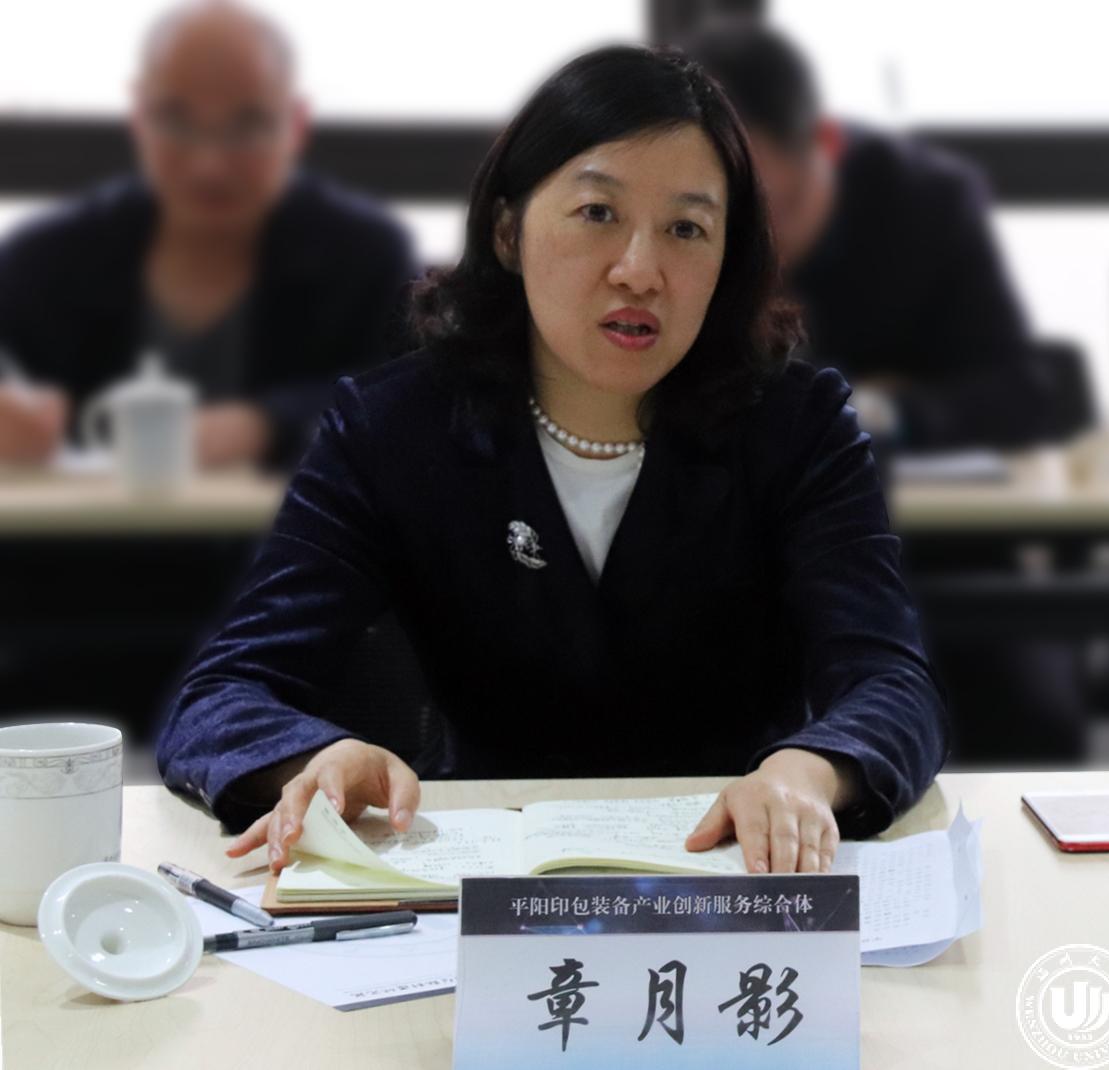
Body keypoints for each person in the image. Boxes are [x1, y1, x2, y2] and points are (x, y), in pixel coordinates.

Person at [155, 45, 949, 875]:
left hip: (736, 872)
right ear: (508, 231)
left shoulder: (798, 426)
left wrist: (808, 772)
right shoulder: (392, 428)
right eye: (597, 213)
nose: (640, 271)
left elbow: (893, 683)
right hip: (480, 878)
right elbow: (220, 695)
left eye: (686, 229)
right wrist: (315, 757)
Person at [689, 22, 1091, 763]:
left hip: (933, 552)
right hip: (728, 557)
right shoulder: (675, 232)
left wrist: (882, 414)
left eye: (773, 206)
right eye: (722, 216)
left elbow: (1022, 392)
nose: (753, 246)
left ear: (824, 144)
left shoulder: (924, 204)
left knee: (1022, 718)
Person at [0, 1, 415, 470]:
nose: (209, 164)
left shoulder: (366, 258)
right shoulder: (45, 262)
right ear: (139, 118)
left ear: (295, 126)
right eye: (176, 120)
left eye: (248, 124)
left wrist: (270, 424)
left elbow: (409, 406)